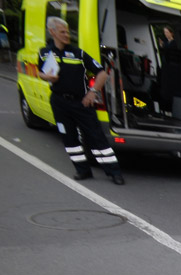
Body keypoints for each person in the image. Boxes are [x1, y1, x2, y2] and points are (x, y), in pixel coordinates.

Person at [38, 17, 124, 184]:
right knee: (69, 138)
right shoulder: (45, 52)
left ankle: (114, 172)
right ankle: (82, 170)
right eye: (62, 32)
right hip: (59, 102)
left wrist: (92, 92)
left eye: (67, 32)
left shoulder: (78, 53)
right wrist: (46, 77)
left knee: (96, 137)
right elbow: (41, 73)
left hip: (81, 103)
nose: (66, 35)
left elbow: (102, 73)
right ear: (52, 32)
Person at [157, 25, 181, 114]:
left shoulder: (173, 44)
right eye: (165, 32)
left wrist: (163, 46)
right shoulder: (167, 43)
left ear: (171, 33)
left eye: (167, 32)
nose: (166, 34)